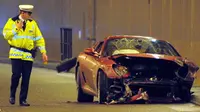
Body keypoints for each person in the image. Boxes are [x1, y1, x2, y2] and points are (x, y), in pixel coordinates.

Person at [2, 4, 48, 106]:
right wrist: (16, 29)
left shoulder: (33, 24)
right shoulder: (12, 21)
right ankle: (12, 95)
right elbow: (6, 35)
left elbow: (39, 38)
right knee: (16, 75)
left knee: (26, 78)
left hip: (28, 55)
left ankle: (23, 99)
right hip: (16, 54)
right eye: (29, 13)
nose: (30, 15)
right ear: (22, 13)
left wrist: (43, 52)